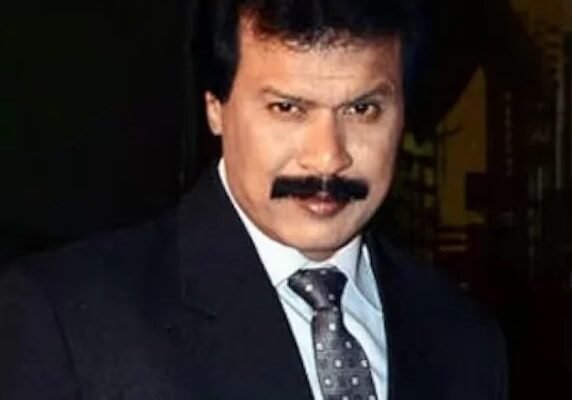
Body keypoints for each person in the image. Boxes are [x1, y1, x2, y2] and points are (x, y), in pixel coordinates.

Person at [0, 0, 507, 399]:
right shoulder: (67, 322)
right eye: (287, 108)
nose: (328, 158)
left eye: (362, 110)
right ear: (215, 108)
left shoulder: (464, 339)